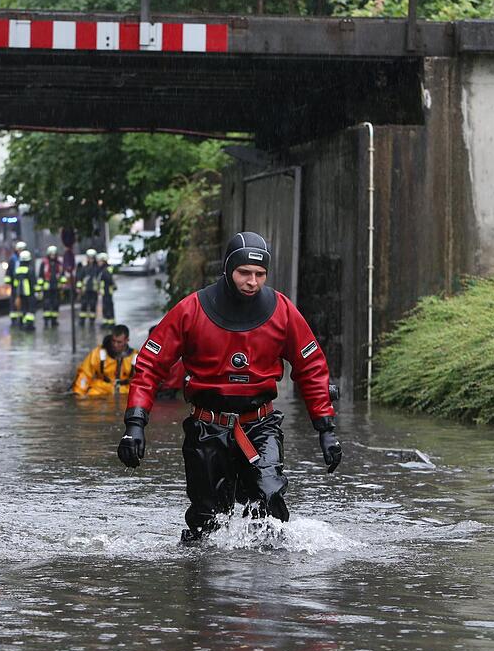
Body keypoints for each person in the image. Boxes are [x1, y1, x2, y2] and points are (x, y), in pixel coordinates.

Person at [116, 231, 344, 544]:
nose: (252, 282)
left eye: (260, 274)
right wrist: (135, 425)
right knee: (207, 524)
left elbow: (312, 368)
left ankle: (269, 575)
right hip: (207, 428)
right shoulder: (191, 310)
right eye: (244, 273)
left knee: (271, 513)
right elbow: (149, 367)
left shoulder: (282, 311)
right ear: (227, 269)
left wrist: (326, 429)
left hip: (260, 426)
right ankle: (201, 572)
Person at [73, 325, 136, 396]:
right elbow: (85, 373)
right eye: (113, 341)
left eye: (119, 342)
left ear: (127, 340)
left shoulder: (136, 357)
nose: (115, 345)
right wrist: (79, 393)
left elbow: (143, 381)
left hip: (126, 391)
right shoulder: (98, 353)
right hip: (101, 388)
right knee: (91, 394)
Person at [37, 245, 66, 328]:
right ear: (48, 254)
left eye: (54, 254)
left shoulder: (59, 264)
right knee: (46, 304)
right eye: (51, 254)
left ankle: (54, 320)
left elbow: (62, 275)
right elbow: (41, 276)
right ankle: (46, 321)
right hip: (47, 288)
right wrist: (40, 288)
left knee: (55, 303)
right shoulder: (44, 263)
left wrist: (62, 283)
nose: (53, 256)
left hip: (56, 287)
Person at [12, 249, 39, 332]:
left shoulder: (17, 270)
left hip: (20, 294)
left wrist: (16, 294)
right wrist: (37, 292)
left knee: (22, 309)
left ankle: (22, 325)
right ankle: (29, 325)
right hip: (29, 293)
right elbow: (33, 282)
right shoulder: (30, 270)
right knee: (30, 310)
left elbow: (15, 283)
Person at [3, 240, 27, 325]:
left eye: (22, 249)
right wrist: (9, 281)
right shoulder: (13, 259)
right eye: (19, 249)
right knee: (14, 301)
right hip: (15, 284)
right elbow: (9, 272)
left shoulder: (25, 258)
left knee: (23, 301)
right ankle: (14, 319)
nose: (21, 251)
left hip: (24, 284)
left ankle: (21, 318)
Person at [76, 248, 99, 327]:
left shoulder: (97, 268)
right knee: (84, 304)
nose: (91, 260)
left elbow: (99, 279)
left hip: (94, 290)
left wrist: (99, 289)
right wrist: (79, 288)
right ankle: (82, 320)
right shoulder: (84, 268)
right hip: (85, 290)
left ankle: (92, 321)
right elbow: (79, 279)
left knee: (93, 305)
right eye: (89, 258)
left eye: (92, 258)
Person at [96, 252, 117, 328]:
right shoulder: (102, 269)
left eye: (100, 261)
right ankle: (106, 322)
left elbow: (109, 279)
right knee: (105, 307)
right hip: (104, 292)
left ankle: (111, 323)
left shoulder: (106, 269)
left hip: (108, 291)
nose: (98, 263)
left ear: (104, 261)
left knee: (108, 307)